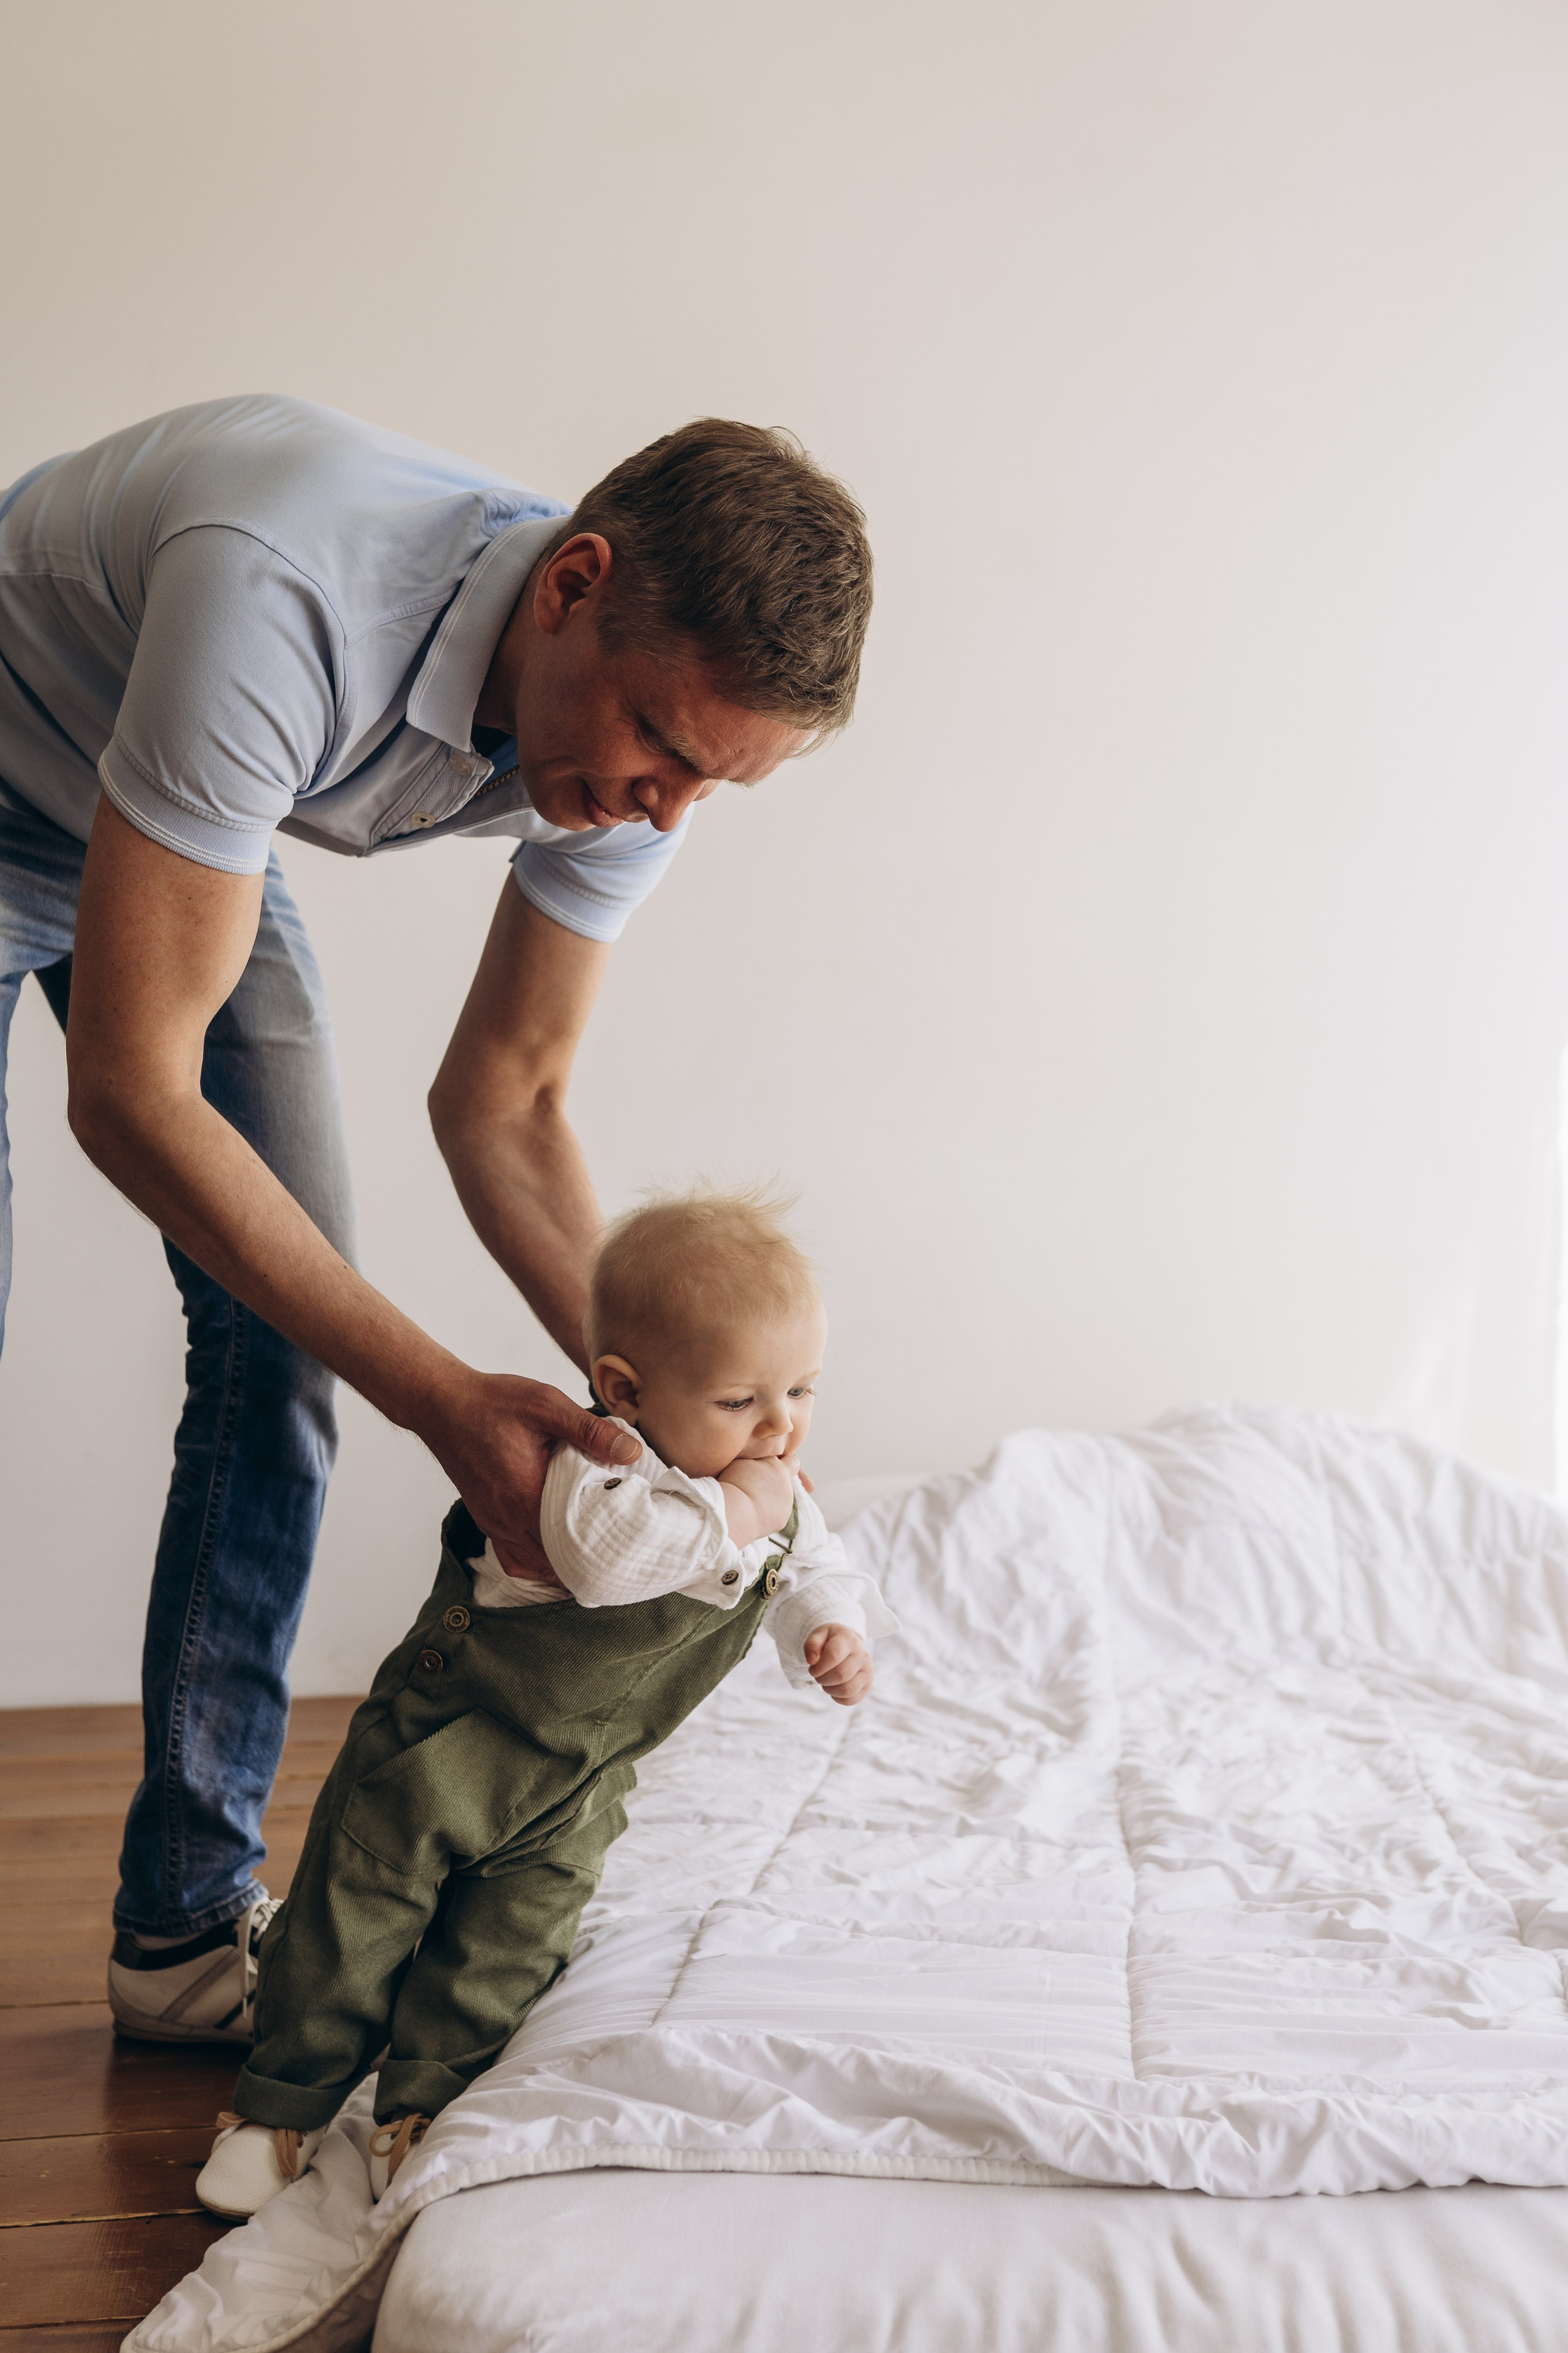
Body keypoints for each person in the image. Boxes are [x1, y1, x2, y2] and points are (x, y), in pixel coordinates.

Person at [0, 397, 873, 2037]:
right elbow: (131, 1090)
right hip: (10, 770)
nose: (665, 812)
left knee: (287, 1358)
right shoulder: (289, 591)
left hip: (184, 821)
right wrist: (445, 1398)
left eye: (716, 788)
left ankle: (182, 1942)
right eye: (664, 752)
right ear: (573, 587)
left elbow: (508, 1102)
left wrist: (678, 1419)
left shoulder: (632, 753)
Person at [190, 1187, 895, 2220]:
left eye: (802, 1392)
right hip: (445, 1747)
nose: (781, 1428)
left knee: (508, 1944)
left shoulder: (768, 1494)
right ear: (627, 1389)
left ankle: (422, 2102)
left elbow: (810, 1564)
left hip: (579, 1781)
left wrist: (834, 1628)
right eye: (743, 1401)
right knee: (353, 1918)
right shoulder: (589, 1468)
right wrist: (749, 1506)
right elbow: (617, 1564)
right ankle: (283, 2101)